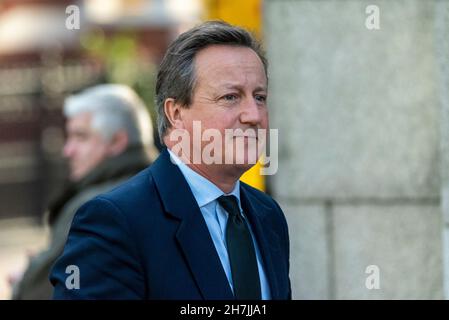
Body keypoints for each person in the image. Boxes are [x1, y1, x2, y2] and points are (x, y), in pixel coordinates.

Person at [50, 21, 291, 300]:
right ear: (176, 114)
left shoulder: (267, 215)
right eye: (230, 97)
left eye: (259, 97)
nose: (254, 115)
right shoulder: (115, 222)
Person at [10, 84, 157, 299]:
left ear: (117, 141)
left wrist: (25, 278)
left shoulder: (94, 206)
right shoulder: (163, 189)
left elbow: (43, 291)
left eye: (80, 137)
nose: (67, 150)